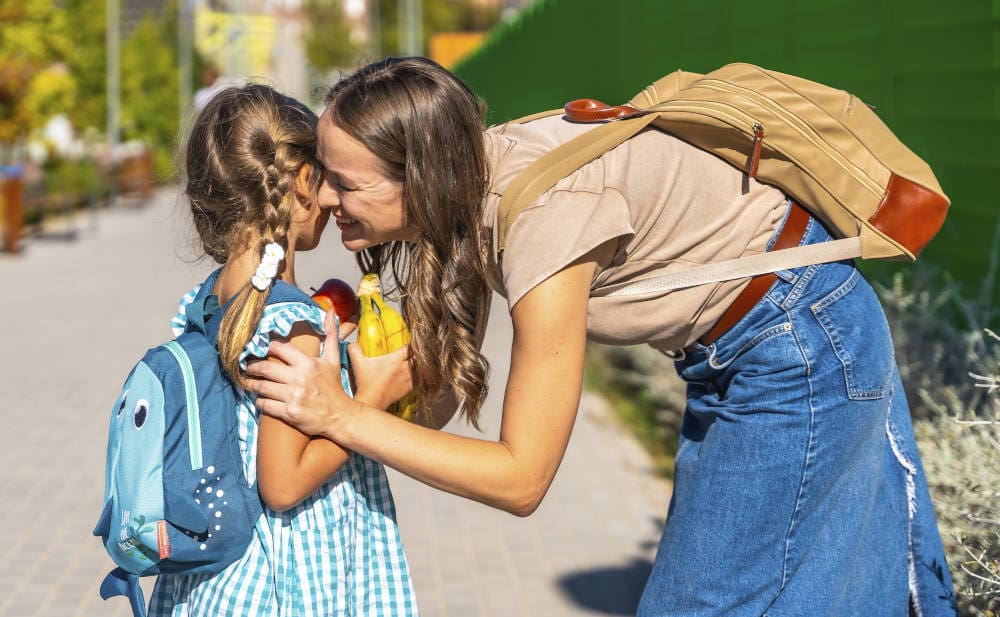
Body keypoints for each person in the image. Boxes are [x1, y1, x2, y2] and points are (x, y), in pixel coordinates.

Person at [245, 57, 958, 616]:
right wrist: (356, 396)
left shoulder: (541, 221)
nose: (325, 199)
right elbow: (437, 402)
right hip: (756, 346)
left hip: (797, 347)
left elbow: (522, 478)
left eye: (345, 183)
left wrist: (342, 417)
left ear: (420, 175)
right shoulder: (466, 183)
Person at [150, 83, 417, 616]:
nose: (334, 197)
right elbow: (283, 483)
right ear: (300, 180)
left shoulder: (208, 301)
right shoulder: (291, 321)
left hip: (216, 579)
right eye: (328, 176)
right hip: (281, 579)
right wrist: (371, 397)